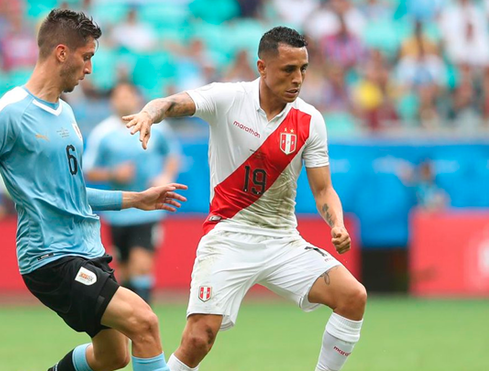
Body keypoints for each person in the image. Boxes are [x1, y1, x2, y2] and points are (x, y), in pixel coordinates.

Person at [0, 9, 185, 371]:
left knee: (112, 357)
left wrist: (138, 199)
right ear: (61, 53)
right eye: (86, 57)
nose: (89, 69)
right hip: (50, 256)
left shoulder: (66, 114)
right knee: (145, 322)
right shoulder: (9, 112)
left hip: (88, 251)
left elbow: (72, 194)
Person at [124, 26, 367, 371]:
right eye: (288, 69)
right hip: (228, 236)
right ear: (262, 67)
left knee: (353, 297)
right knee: (198, 338)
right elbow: (173, 102)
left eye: (303, 69)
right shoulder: (228, 98)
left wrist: (337, 223)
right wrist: (150, 113)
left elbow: (323, 189)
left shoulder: (310, 121)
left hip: (283, 241)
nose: (298, 79)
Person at [83, 81, 182, 305]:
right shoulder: (103, 133)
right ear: (112, 102)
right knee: (125, 271)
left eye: (128, 95)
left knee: (141, 265)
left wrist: (165, 177)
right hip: (119, 211)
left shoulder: (157, 127)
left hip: (149, 211)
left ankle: (145, 320)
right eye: (119, 96)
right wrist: (113, 173)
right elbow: (88, 170)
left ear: (137, 98)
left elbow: (172, 156)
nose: (124, 100)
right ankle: (131, 322)